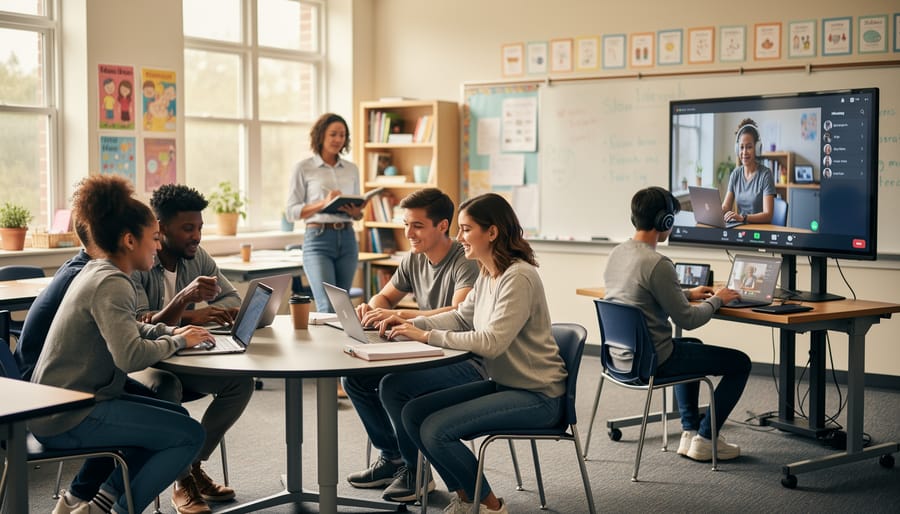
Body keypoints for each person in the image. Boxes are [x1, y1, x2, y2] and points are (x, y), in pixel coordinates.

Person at [30, 175, 209, 514]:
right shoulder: (113, 284)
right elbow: (129, 356)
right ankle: (115, 509)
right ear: (129, 240)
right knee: (189, 435)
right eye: (154, 238)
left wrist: (172, 336)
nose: (158, 247)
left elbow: (132, 332)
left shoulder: (100, 271)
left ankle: (98, 504)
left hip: (64, 403)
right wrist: (177, 341)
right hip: (67, 415)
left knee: (173, 419)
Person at [380, 193, 568, 514]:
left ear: (491, 233)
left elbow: (492, 341)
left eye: (466, 230)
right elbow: (462, 316)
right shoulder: (487, 272)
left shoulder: (518, 277)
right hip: (507, 383)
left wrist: (424, 334)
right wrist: (410, 321)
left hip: (538, 395)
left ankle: (490, 507)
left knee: (437, 431)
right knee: (413, 413)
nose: (458, 237)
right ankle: (468, 499)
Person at [342, 188, 483, 503]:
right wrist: (373, 307)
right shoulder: (413, 259)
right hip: (426, 349)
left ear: (442, 226)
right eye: (406, 224)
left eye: (417, 225)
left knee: (396, 386)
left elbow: (458, 313)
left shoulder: (465, 260)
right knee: (356, 379)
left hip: (463, 357)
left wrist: (398, 314)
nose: (408, 233)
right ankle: (392, 458)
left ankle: (415, 470)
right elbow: (385, 296)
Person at [131, 183, 255, 513]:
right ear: (160, 227)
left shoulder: (196, 256)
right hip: (145, 363)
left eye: (199, 227)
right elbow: (140, 324)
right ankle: (181, 479)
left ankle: (191, 464)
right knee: (167, 386)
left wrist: (203, 314)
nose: (197, 236)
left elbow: (231, 298)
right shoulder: (141, 259)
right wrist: (187, 306)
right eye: (188, 228)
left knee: (240, 382)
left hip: (187, 355)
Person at [604, 186, 751, 463]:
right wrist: (718, 299)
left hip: (620, 359)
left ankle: (689, 432)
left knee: (691, 347)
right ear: (666, 222)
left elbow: (640, 296)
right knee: (740, 363)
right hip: (653, 360)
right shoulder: (658, 263)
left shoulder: (617, 254)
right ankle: (706, 439)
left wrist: (687, 294)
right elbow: (689, 319)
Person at [285, 112, 364, 313]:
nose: (338, 139)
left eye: (343, 135)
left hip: (347, 237)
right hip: (318, 240)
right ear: (320, 136)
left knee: (342, 307)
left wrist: (356, 212)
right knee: (327, 306)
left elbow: (357, 214)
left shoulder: (352, 169)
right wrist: (324, 203)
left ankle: (342, 346)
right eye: (333, 134)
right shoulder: (303, 168)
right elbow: (291, 212)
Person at [721, 119, 777, 224]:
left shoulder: (766, 174)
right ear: (737, 149)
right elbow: (726, 206)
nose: (744, 152)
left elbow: (768, 215)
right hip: (741, 229)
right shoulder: (735, 174)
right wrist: (715, 212)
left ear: (757, 148)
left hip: (760, 231)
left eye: (749, 147)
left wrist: (743, 218)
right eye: (741, 147)